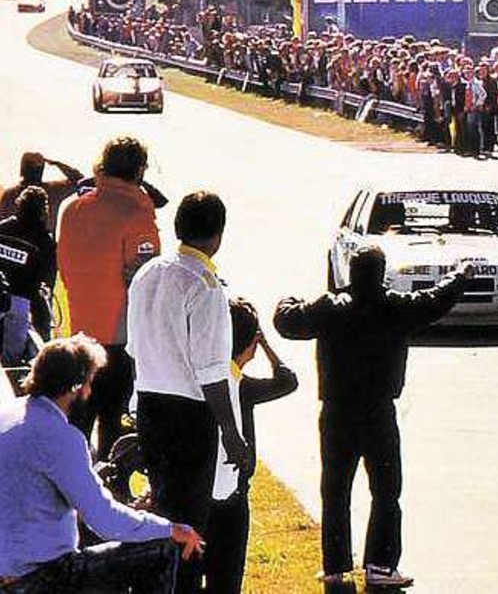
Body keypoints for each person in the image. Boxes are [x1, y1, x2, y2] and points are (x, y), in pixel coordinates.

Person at [274, 249, 476, 591]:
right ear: (382, 274)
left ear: (351, 273)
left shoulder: (330, 307)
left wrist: (289, 299)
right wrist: (460, 274)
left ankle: (335, 566)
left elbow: (286, 321)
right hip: (378, 411)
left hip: (337, 412)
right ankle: (380, 564)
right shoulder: (395, 306)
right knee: (386, 490)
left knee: (335, 490)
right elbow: (436, 300)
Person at [0, 335, 203, 593]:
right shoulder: (60, 437)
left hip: (10, 568)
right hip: (38, 577)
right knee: (162, 548)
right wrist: (171, 529)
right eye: (89, 382)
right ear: (77, 387)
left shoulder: (8, 415)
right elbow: (104, 521)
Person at [126, 191, 246, 593]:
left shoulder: (147, 273)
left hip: (149, 407)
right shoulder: (207, 286)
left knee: (160, 516)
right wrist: (231, 433)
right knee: (190, 529)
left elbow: (134, 349)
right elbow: (212, 371)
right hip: (189, 416)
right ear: (219, 235)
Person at [56, 136, 161, 459]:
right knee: (113, 428)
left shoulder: (72, 208)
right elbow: (145, 282)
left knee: (74, 426)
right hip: (118, 340)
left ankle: (71, 497)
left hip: (74, 334)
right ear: (139, 170)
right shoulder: (137, 213)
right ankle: (106, 496)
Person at [204, 299, 299, 594]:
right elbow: (287, 380)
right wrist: (267, 345)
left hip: (200, 490)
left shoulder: (209, 379)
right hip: (232, 495)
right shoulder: (241, 386)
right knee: (227, 575)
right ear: (251, 344)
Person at [0, 186, 56, 340]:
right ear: (43, 211)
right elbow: (47, 283)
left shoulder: (2, 229)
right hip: (26, 309)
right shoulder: (44, 241)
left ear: (19, 205)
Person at [0, 152, 84, 229]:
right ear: (41, 171)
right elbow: (79, 180)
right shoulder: (53, 191)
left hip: (13, 243)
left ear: (22, 170)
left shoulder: (10, 194)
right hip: (42, 243)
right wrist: (57, 164)